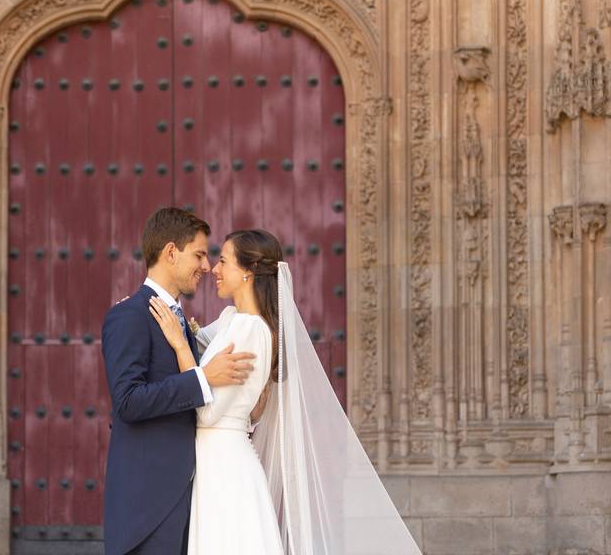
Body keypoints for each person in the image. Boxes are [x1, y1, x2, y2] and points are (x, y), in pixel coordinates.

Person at [150, 228, 423, 555]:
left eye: (223, 261)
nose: (214, 270)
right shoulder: (232, 320)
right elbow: (197, 342)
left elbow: (207, 412)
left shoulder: (252, 330)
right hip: (214, 464)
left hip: (226, 467)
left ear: (248, 272)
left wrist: (180, 346)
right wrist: (146, 316)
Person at [101, 207, 257, 555]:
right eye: (199, 255)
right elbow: (128, 401)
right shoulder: (128, 316)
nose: (206, 266)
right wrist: (203, 378)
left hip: (191, 504)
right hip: (147, 511)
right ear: (171, 253)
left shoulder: (183, 323)